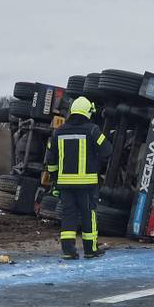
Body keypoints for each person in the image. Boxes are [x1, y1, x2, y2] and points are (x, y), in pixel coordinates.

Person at [45, 96, 112, 260]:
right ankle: (90, 250)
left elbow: (50, 160)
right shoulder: (92, 129)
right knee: (89, 215)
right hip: (87, 185)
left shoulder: (58, 131)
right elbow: (107, 150)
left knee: (68, 216)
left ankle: (68, 250)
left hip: (65, 185)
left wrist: (55, 179)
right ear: (87, 112)